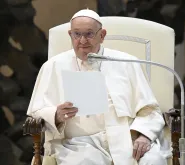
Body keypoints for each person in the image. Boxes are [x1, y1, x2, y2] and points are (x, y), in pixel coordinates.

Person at [27, 9, 168, 165]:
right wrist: (56, 115)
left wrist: (144, 135)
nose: (82, 41)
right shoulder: (52, 66)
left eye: (89, 34)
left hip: (127, 139)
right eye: (77, 34)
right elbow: (36, 113)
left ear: (102, 35)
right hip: (79, 144)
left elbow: (150, 110)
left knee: (154, 160)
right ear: (70, 35)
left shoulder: (126, 62)